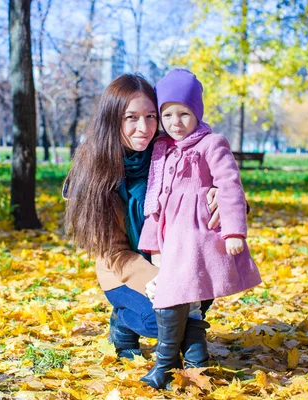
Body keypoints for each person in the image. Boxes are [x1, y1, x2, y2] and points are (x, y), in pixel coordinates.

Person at [64, 74, 223, 367]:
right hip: (123, 268)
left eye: (151, 116)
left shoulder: (169, 152)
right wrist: (162, 282)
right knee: (158, 323)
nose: (144, 128)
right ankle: (124, 323)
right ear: (113, 120)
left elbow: (218, 177)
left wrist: (218, 194)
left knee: (202, 290)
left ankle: (183, 331)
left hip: (170, 259)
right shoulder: (94, 171)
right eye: (131, 118)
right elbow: (112, 253)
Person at [137, 69, 262, 389]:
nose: (175, 121)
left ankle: (165, 366)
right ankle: (196, 363)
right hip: (169, 236)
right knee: (184, 300)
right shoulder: (162, 148)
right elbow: (156, 197)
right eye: (167, 114)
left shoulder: (211, 144)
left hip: (198, 236)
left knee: (171, 297)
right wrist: (152, 245)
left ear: (198, 112)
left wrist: (234, 230)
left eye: (184, 113)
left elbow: (230, 186)